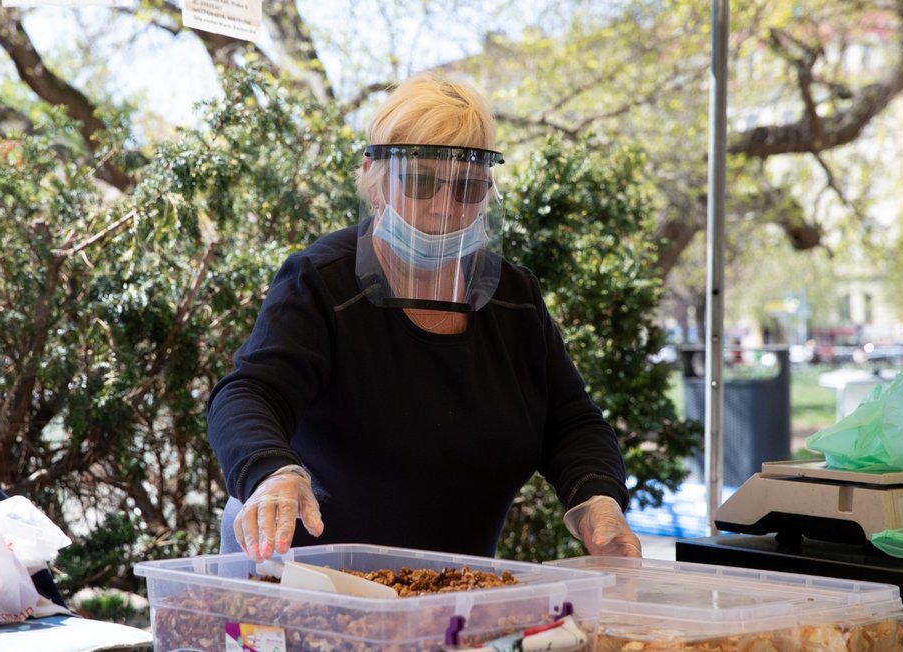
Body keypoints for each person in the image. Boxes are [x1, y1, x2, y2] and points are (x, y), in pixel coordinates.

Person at [208, 72, 642, 562]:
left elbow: (571, 424)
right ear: (375, 179)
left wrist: (597, 499)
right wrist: (272, 473)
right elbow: (248, 393)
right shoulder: (323, 282)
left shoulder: (514, 299)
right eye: (420, 182)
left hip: (449, 588)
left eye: (468, 188)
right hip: (305, 581)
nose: (444, 208)